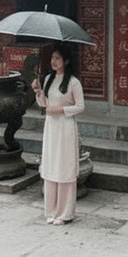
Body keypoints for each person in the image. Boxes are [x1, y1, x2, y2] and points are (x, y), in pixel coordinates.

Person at [31, 42, 85, 225]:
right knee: (51, 164)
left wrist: (61, 110)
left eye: (57, 58)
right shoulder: (48, 79)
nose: (53, 61)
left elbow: (80, 106)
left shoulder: (73, 82)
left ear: (66, 61)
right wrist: (38, 92)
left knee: (64, 166)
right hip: (51, 128)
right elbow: (45, 105)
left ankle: (65, 213)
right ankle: (51, 211)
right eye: (52, 58)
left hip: (65, 127)